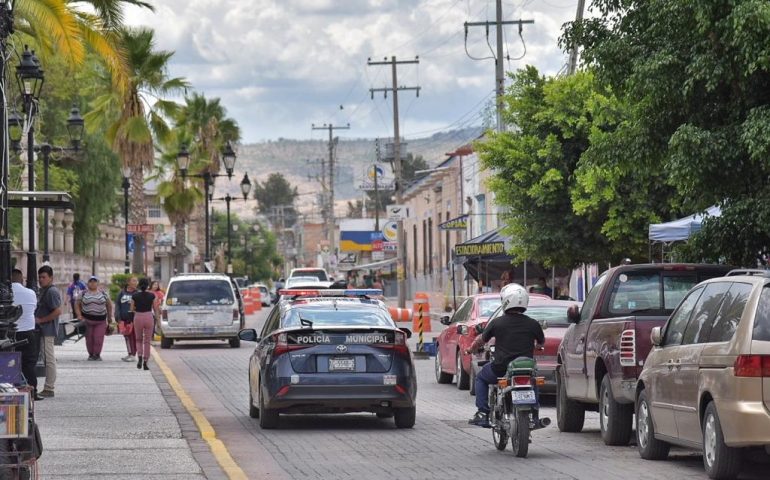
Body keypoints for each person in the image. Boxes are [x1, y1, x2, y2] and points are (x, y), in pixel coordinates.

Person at [464, 283, 545, 427]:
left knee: (481, 378)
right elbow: (540, 343)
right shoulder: (533, 324)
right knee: (533, 380)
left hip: (500, 368)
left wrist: (471, 349)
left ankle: (482, 413)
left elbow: (481, 340)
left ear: (506, 301)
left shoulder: (497, 323)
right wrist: (535, 347)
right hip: (525, 368)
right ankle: (535, 415)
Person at [11, 269, 43, 401]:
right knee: (29, 363)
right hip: (28, 333)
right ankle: (32, 391)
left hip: (10, 333)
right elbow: (33, 309)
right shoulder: (30, 293)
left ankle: (12, 390)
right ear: (21, 279)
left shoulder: (5, 293)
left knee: (11, 362)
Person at [35, 265, 62, 398]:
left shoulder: (51, 292)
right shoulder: (45, 290)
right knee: (47, 358)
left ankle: (49, 387)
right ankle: (48, 387)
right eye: (39, 277)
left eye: (44, 277)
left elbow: (57, 311)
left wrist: (41, 320)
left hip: (48, 330)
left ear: (51, 278)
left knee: (49, 358)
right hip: (44, 330)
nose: (41, 280)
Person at [75, 276, 113, 361]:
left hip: (101, 321)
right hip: (87, 320)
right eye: (90, 281)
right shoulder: (83, 293)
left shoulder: (103, 293)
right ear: (87, 283)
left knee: (98, 338)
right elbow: (77, 304)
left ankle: (97, 354)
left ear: (98, 283)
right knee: (89, 339)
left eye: (94, 281)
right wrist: (79, 315)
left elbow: (109, 305)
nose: (92, 283)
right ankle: (91, 354)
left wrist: (110, 317)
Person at [131, 278, 159, 370]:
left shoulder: (134, 296)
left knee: (138, 339)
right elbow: (155, 309)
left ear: (139, 285)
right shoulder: (152, 295)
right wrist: (158, 321)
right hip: (148, 316)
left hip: (138, 316)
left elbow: (131, 309)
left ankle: (139, 357)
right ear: (148, 286)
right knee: (147, 341)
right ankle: (145, 362)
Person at [115, 276, 138, 362]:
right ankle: (129, 353)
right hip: (123, 319)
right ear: (128, 282)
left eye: (136, 281)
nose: (135, 283)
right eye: (134, 281)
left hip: (134, 320)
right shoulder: (122, 293)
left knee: (133, 337)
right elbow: (117, 305)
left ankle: (133, 354)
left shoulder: (137, 293)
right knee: (127, 337)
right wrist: (117, 317)